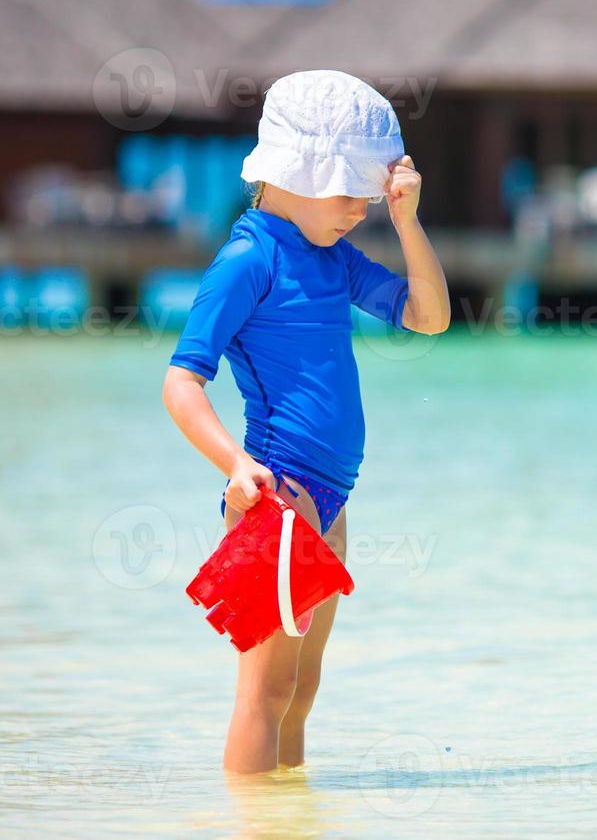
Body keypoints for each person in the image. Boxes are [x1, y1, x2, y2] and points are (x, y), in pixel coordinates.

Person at [162, 70, 450, 774]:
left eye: (369, 195)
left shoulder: (332, 257)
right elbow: (181, 382)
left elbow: (430, 316)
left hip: (330, 498)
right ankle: (251, 821)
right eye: (350, 190)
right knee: (265, 691)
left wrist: (408, 223)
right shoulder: (248, 258)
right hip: (275, 498)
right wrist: (235, 466)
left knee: (303, 688)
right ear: (298, 173)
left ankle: (290, 817)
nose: (361, 208)